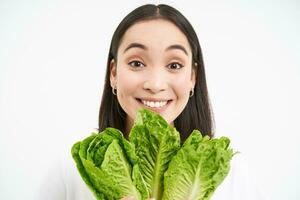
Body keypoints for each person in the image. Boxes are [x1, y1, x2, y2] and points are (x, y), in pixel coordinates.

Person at [37, 4, 267, 200]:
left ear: (192, 77)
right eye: (137, 63)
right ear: (114, 73)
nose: (155, 84)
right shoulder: (70, 173)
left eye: (174, 65)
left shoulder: (233, 176)